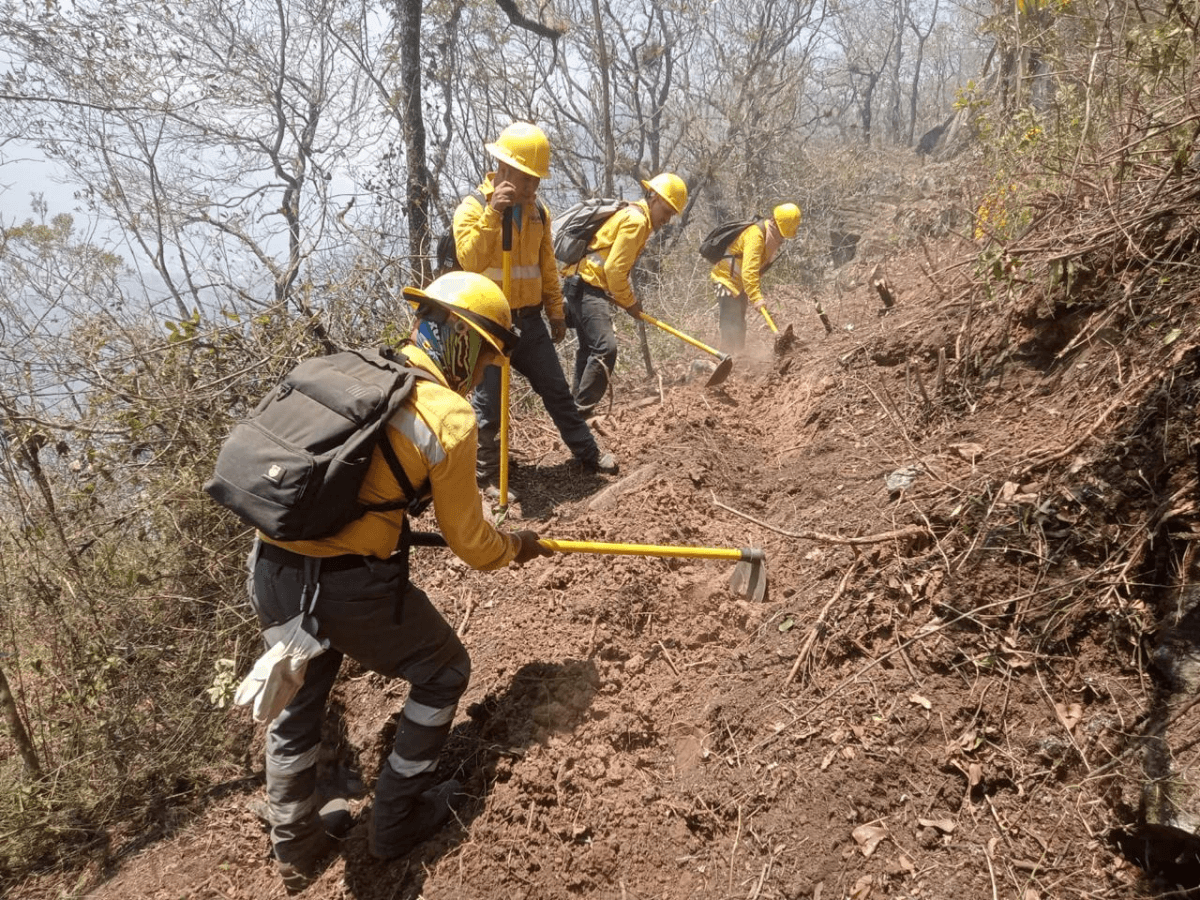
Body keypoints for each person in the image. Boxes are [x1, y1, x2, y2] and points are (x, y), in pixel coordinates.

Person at [244, 271, 554, 891]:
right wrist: (516, 547)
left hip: (271, 568)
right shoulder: (447, 416)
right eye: (486, 359)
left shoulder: (349, 369)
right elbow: (473, 545)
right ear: (465, 341)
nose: (483, 374)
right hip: (347, 588)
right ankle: (395, 817)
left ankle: (296, 846)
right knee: (444, 672)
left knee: (299, 692)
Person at [453, 122, 617, 494]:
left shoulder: (538, 212)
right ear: (505, 168)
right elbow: (469, 261)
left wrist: (555, 312)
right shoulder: (473, 208)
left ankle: (587, 453)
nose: (533, 188)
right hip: (489, 325)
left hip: (529, 322)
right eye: (528, 179)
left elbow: (546, 267)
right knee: (488, 407)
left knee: (557, 390)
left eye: (537, 180)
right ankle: (488, 476)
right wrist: (493, 215)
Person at [560, 172, 688, 416]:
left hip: (580, 284)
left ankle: (574, 413)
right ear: (654, 198)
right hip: (587, 286)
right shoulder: (636, 221)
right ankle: (581, 414)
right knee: (605, 349)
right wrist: (630, 303)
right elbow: (614, 270)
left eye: (672, 214)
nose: (668, 219)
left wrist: (624, 299)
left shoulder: (634, 215)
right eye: (667, 211)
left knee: (589, 349)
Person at [708, 203, 801, 353]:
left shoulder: (770, 238)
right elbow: (749, 271)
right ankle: (726, 357)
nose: (782, 239)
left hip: (739, 284)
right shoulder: (756, 235)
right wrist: (756, 298)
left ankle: (738, 358)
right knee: (731, 322)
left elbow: (757, 270)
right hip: (725, 280)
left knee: (739, 323)